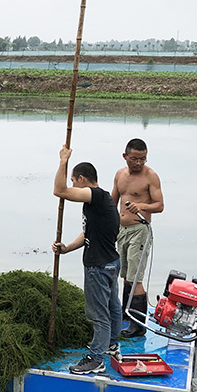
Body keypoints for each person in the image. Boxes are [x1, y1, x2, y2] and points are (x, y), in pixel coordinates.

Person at [52, 145, 121, 375]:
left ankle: (96, 358)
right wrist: (68, 248)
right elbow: (89, 233)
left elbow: (59, 191)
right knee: (112, 307)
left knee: (98, 315)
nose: (72, 185)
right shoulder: (102, 204)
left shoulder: (97, 196)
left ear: (82, 179)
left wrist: (63, 160)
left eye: (74, 181)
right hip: (111, 262)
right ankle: (111, 344)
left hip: (99, 267)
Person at [111, 138, 164, 338]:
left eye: (143, 159)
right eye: (135, 159)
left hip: (139, 230)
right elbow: (112, 201)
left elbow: (159, 205)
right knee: (125, 274)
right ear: (125, 157)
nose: (139, 163)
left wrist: (140, 206)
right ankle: (126, 316)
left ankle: (139, 325)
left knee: (135, 278)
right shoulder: (119, 175)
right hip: (121, 231)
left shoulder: (151, 177)